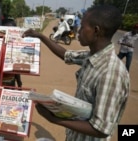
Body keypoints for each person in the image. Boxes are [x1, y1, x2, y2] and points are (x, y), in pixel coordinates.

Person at [22, 5, 129, 141]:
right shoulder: (92, 57)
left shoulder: (111, 73)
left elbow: (101, 129)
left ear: (96, 31)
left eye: (83, 27)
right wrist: (40, 36)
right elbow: (66, 54)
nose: (78, 31)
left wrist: (54, 119)